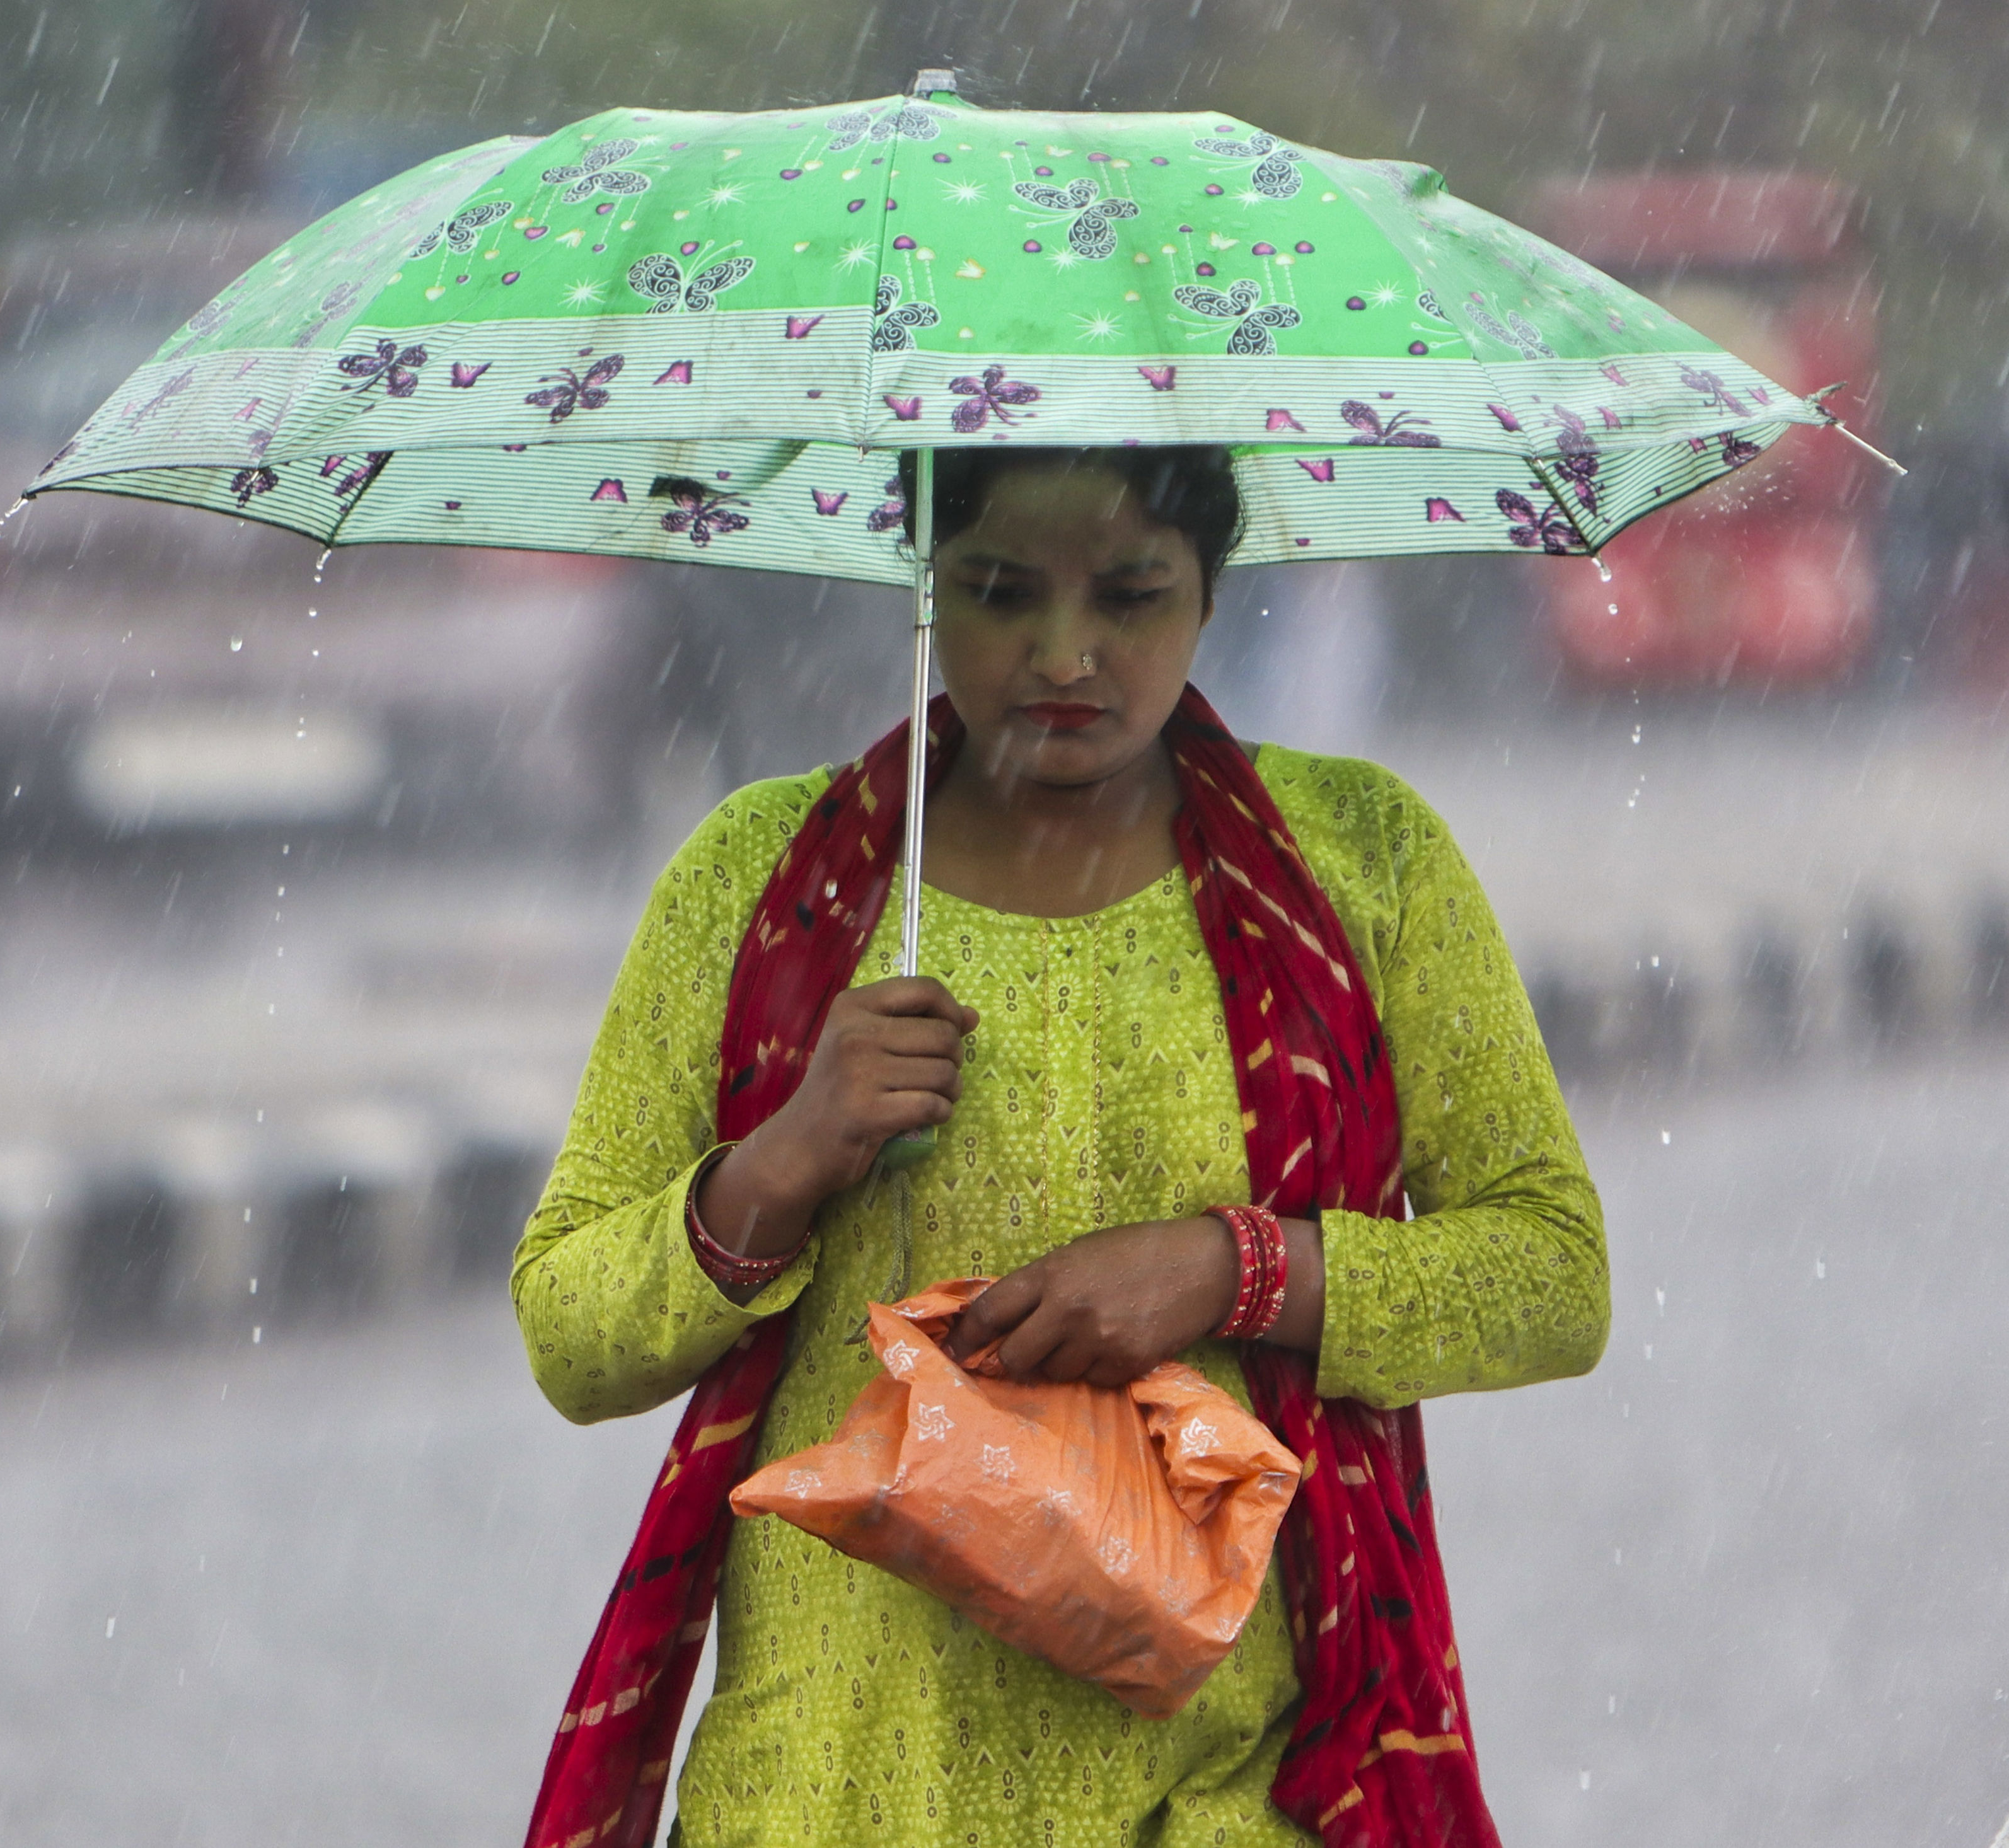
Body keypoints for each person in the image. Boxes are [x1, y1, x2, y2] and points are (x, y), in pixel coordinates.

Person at [512, 445, 1608, 1848]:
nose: (1063, 652)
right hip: (831, 1791)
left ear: (1210, 591)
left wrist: (1233, 1270)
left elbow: (1550, 1274)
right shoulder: (768, 885)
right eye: (998, 591)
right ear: (925, 587)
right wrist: (781, 1159)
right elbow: (571, 1334)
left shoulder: (1360, 862)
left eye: (1131, 593)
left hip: (1224, 1791)